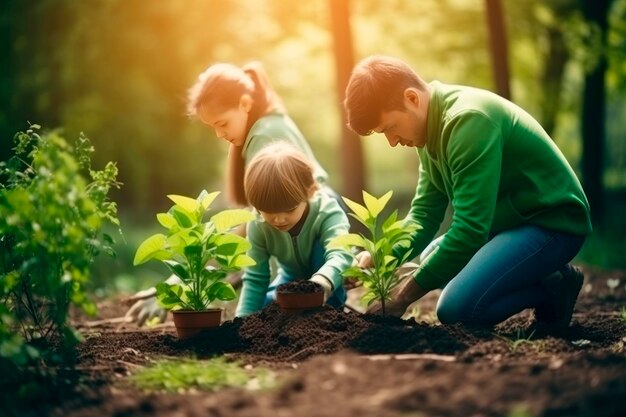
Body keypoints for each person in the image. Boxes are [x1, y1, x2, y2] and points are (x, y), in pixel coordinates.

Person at [344, 55, 592, 329]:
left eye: (390, 128)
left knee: (456, 310)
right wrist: (379, 256)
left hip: (552, 224)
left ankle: (555, 286)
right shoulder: (429, 132)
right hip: (511, 223)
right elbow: (424, 216)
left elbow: (469, 231)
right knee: (431, 258)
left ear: (412, 98)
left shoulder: (468, 122)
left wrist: (401, 298)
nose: (391, 142)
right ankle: (547, 276)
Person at [126, 61, 340, 325]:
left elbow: (250, 222)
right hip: (297, 231)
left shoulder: (264, 137)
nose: (219, 134)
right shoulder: (267, 123)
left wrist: (180, 280)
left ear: (245, 104)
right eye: (212, 127)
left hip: (315, 220)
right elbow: (255, 231)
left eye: (223, 123)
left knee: (311, 307)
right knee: (275, 308)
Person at [235, 142, 352, 316]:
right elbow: (255, 278)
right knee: (267, 309)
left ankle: (329, 312)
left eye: (289, 209)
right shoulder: (258, 224)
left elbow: (341, 253)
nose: (279, 219)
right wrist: (241, 322)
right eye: (268, 211)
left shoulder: (326, 211)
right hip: (290, 280)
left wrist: (323, 282)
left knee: (321, 312)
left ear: (310, 191)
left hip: (327, 284)